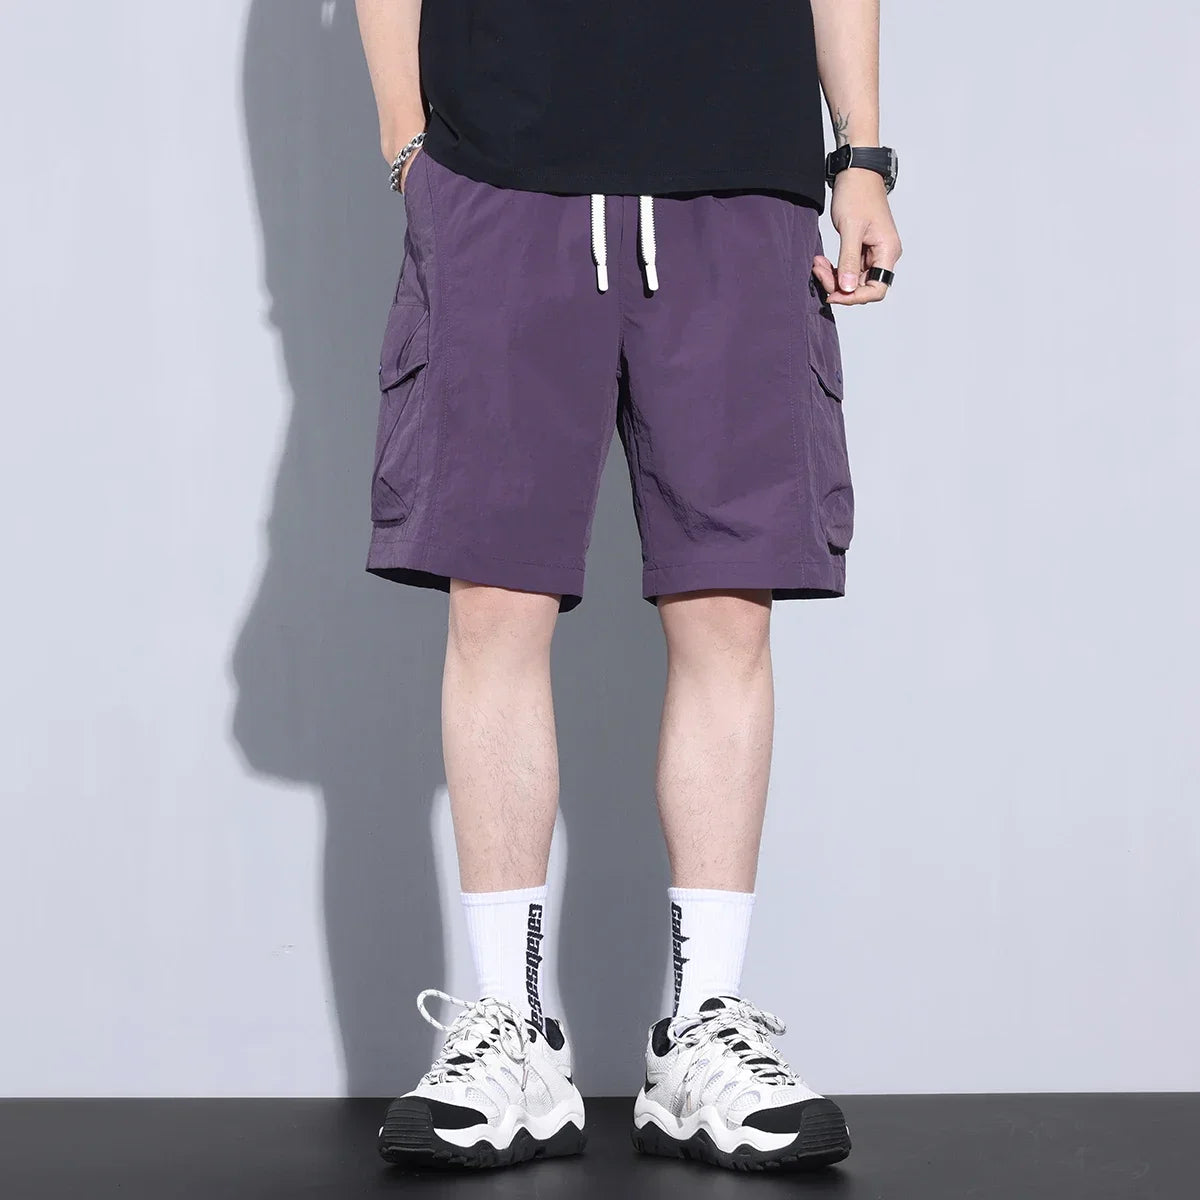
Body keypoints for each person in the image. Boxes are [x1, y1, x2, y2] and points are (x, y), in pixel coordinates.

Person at [356, 0, 900, 1173]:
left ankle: (704, 1030)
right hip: (501, 172)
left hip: (739, 179)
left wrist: (859, 156)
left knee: (729, 608)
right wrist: (409, 144)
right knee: (494, 605)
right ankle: (511, 1032)